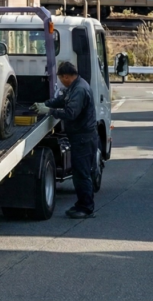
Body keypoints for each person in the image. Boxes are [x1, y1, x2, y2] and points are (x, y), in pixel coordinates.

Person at [34, 61, 98, 219]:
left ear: (67, 76)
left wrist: (49, 111)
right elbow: (62, 100)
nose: (61, 81)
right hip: (82, 137)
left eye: (61, 78)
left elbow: (70, 113)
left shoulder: (80, 90)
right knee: (80, 173)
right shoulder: (75, 86)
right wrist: (45, 104)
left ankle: (86, 208)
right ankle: (82, 204)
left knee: (82, 174)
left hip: (83, 138)